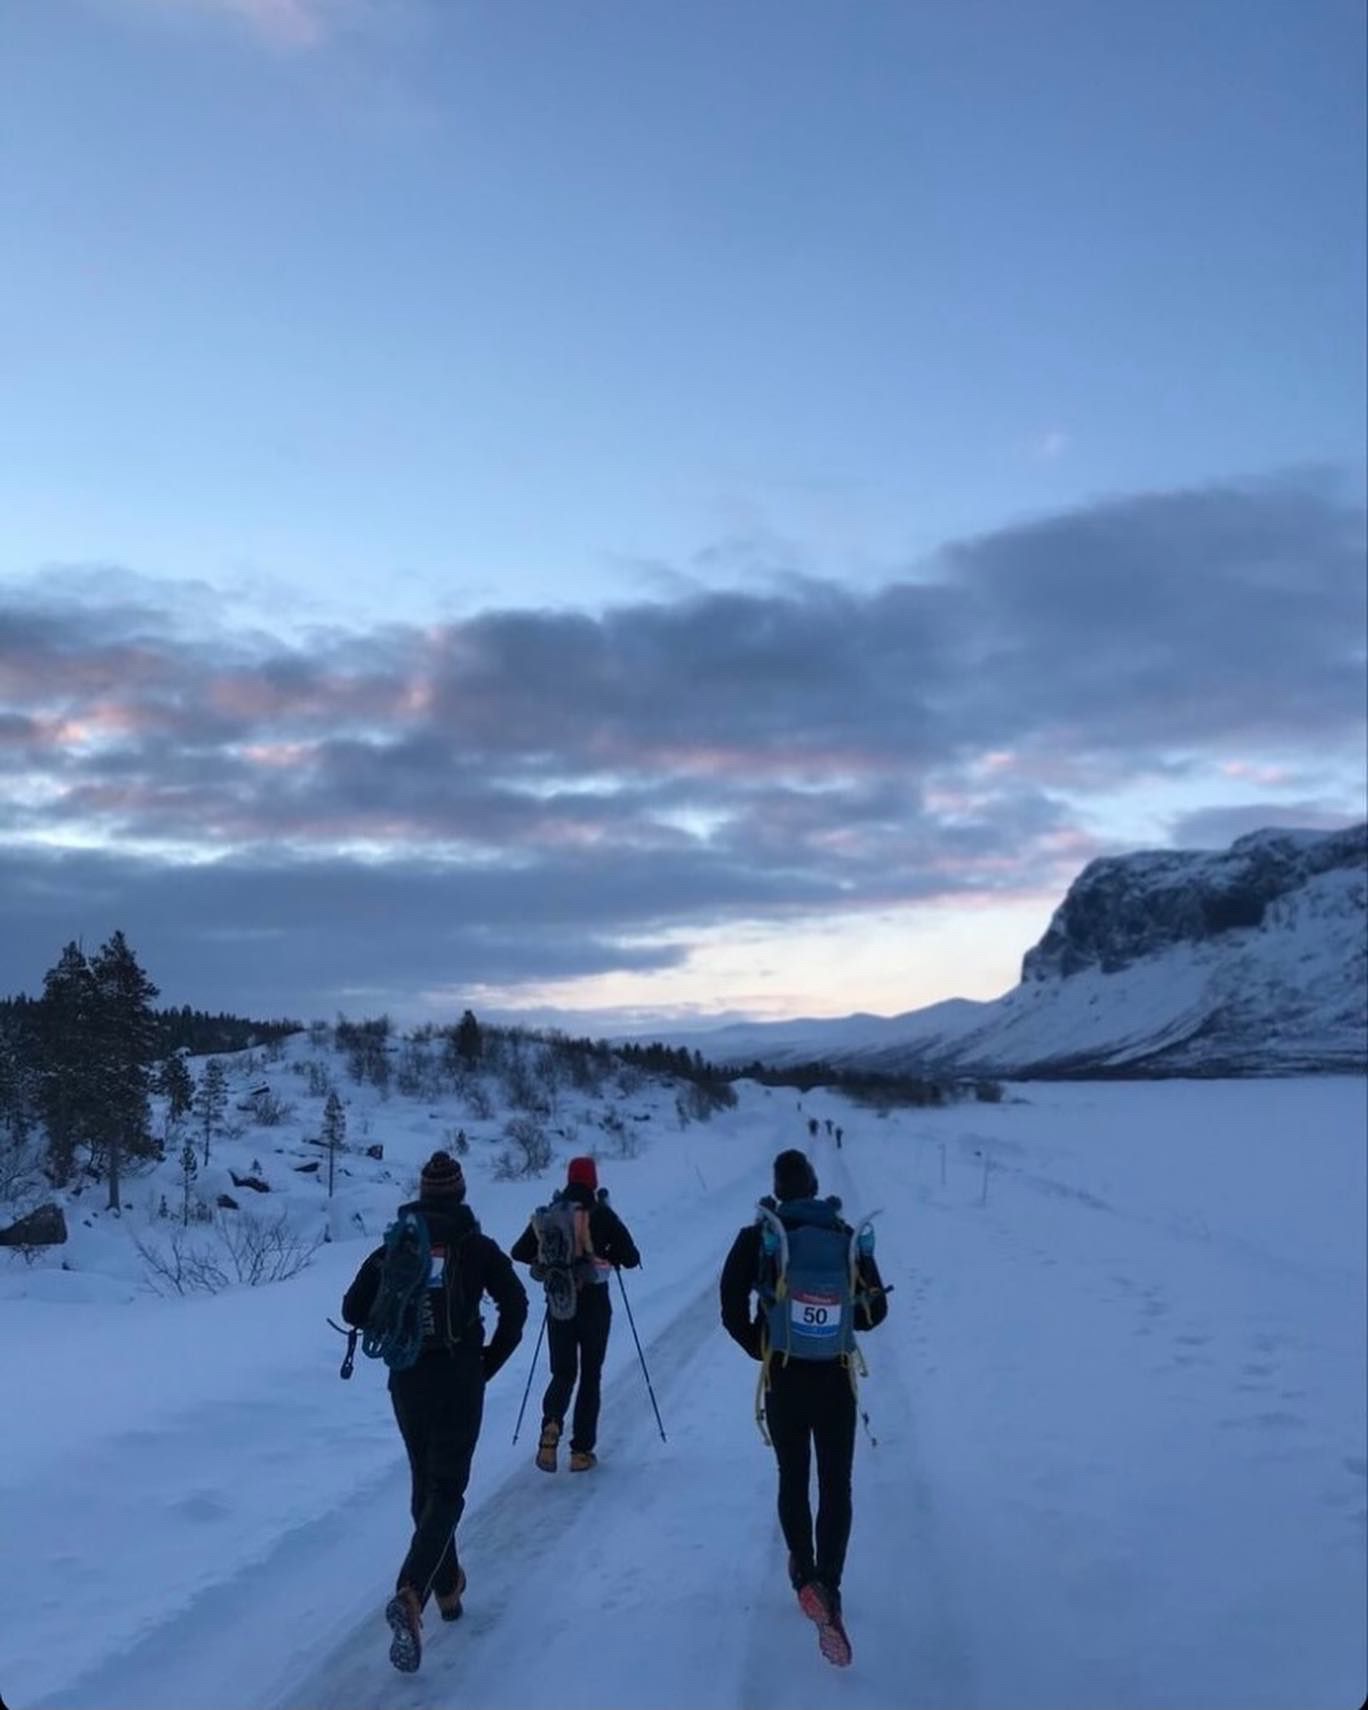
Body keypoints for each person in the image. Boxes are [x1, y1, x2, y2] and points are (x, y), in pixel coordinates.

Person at [342, 1150, 527, 1674]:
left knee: (425, 1484)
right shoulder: (476, 1245)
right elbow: (516, 1305)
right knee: (446, 1490)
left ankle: (448, 1587)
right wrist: (488, 1361)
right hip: (459, 1373)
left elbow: (352, 1309)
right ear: (461, 1194)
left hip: (406, 1377)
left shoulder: (395, 1245)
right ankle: (412, 1592)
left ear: (422, 1195)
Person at [719, 1148, 888, 1668]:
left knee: (793, 1477)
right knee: (837, 1483)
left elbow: (729, 1304)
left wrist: (761, 1344)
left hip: (785, 1376)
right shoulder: (843, 1235)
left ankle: (803, 1577)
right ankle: (829, 1586)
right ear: (813, 1187)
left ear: (778, 1188)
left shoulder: (760, 1235)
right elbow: (873, 1312)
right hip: (835, 1378)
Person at [510, 1155, 640, 1473]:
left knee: (563, 1373)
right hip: (595, 1305)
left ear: (568, 1180)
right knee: (590, 1376)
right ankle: (581, 1452)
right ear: (593, 1181)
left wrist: (549, 1263)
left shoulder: (552, 1214)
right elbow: (632, 1256)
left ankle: (550, 1428)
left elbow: (518, 1251)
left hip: (560, 1304)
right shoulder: (603, 1214)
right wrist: (606, 1255)